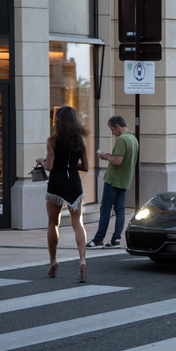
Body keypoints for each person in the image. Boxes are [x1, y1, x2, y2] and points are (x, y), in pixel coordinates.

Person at [36, 106, 90, 283]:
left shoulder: (52, 141)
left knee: (53, 223)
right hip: (74, 183)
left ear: (58, 122)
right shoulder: (80, 141)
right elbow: (86, 167)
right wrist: (72, 166)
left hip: (57, 184)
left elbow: (50, 167)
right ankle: (82, 260)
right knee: (77, 223)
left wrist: (42, 162)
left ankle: (53, 262)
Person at [86, 116, 138, 249]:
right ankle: (116, 239)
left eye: (112, 129)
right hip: (125, 180)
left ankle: (98, 239)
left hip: (113, 180)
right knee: (120, 210)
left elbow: (117, 161)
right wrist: (110, 156)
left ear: (117, 126)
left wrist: (104, 156)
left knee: (105, 209)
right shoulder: (133, 139)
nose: (112, 133)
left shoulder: (122, 139)